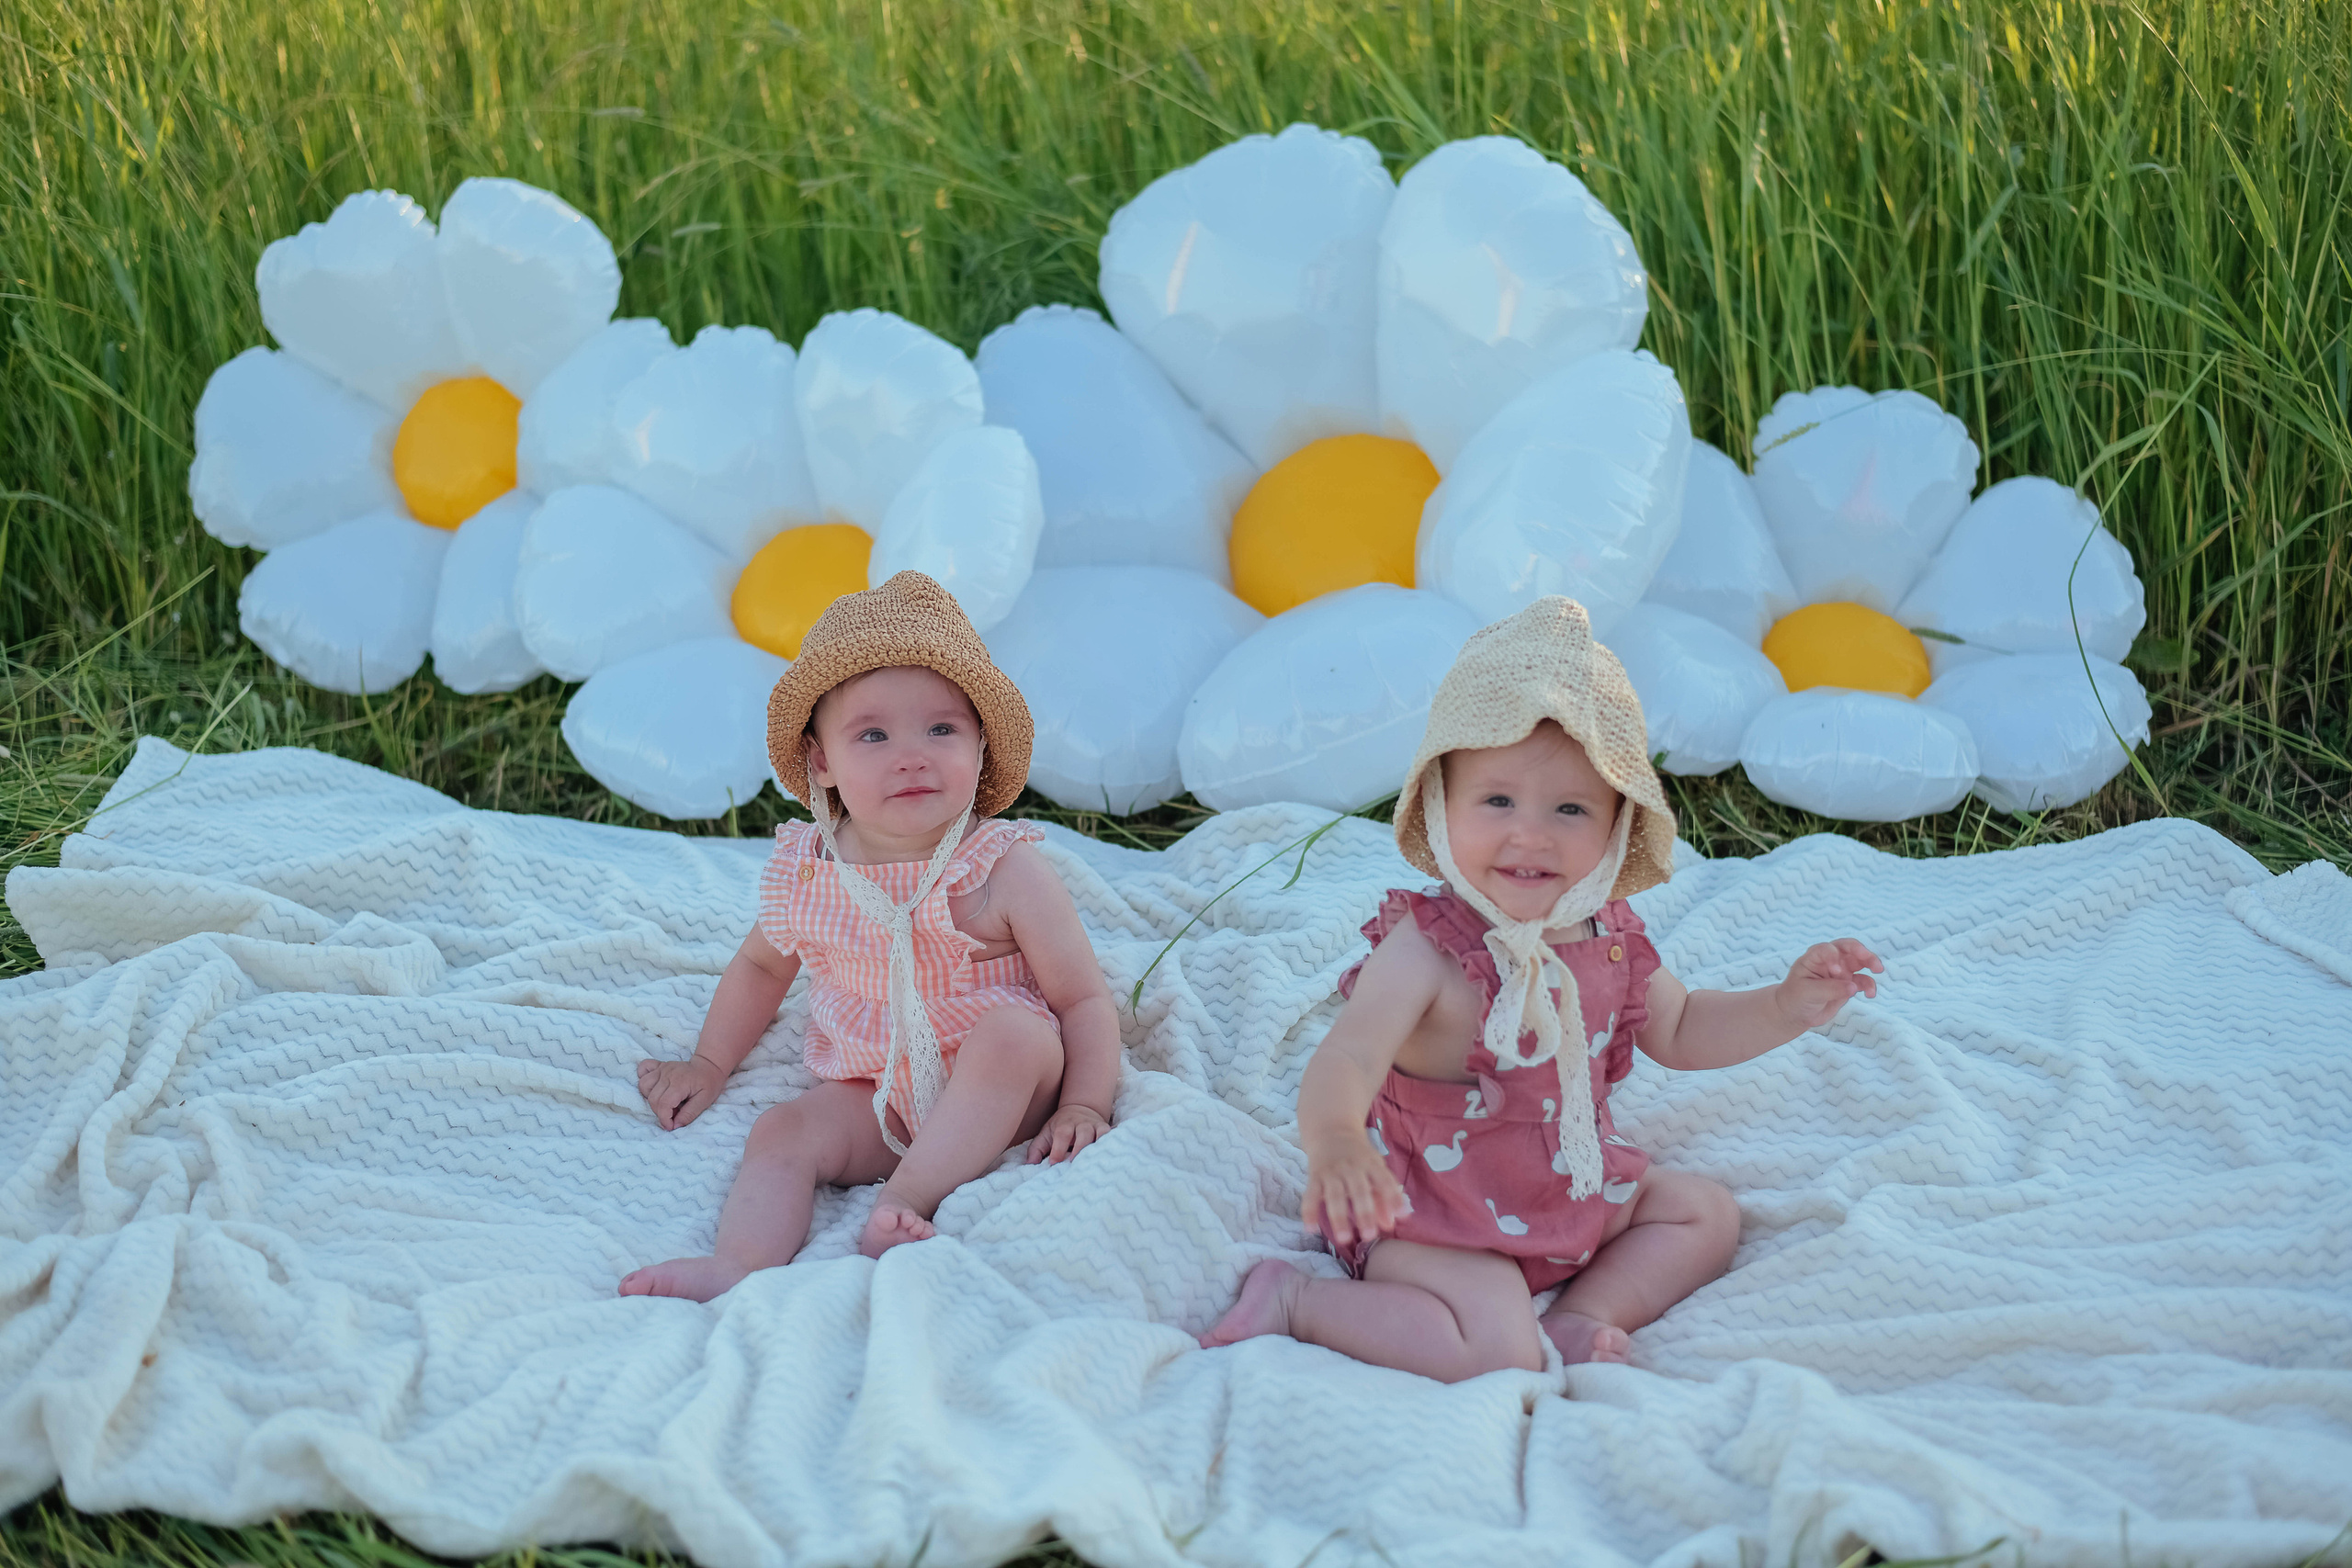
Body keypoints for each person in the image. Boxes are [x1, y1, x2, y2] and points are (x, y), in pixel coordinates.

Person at [1199, 596, 1883, 1379]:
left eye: (1570, 808)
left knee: (1704, 1212)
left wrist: (1784, 1005)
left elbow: (1686, 1026)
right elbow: (1349, 1057)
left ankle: (1588, 1311)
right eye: (1497, 800)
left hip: (1567, 1188)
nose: (1532, 833)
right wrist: (1338, 1143)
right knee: (1496, 1347)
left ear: (1617, 827)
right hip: (1432, 1213)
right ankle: (1296, 1302)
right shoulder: (1427, 948)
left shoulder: (1608, 937)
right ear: (1440, 805)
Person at [620, 572, 1119, 1301]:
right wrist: (708, 1061)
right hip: (875, 1091)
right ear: (822, 762)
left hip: (1006, 1092)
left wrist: (1085, 1103)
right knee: (782, 1132)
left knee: (1016, 1034)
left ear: (980, 744)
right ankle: (740, 1263)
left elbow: (1082, 998)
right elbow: (762, 968)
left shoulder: (999, 867)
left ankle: (904, 1201)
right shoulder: (814, 870)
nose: (911, 754)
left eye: (941, 728)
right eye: (874, 734)